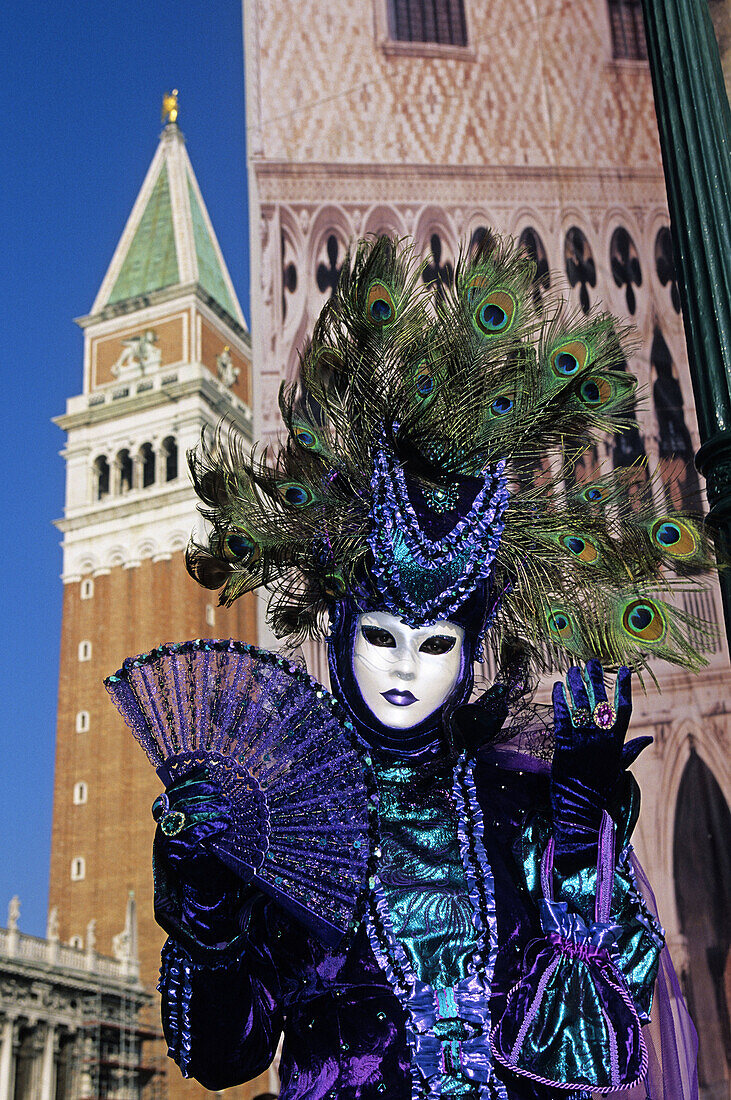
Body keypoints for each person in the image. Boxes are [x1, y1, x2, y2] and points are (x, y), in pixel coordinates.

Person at [146, 234, 711, 1098]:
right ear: (339, 638)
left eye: (436, 643)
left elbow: (600, 1034)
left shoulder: (519, 815)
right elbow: (225, 1056)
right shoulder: (287, 835)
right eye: (381, 636)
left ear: (471, 653)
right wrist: (207, 900)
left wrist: (578, 846)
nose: (405, 666)